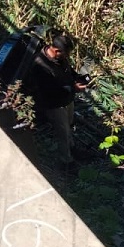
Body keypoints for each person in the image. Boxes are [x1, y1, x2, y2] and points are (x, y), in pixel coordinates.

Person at [25, 32, 88, 167]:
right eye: (66, 54)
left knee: (69, 125)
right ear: (56, 50)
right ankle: (66, 161)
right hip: (54, 104)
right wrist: (73, 88)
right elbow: (48, 89)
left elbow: (69, 71)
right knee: (63, 132)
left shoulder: (60, 58)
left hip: (67, 99)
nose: (67, 57)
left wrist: (78, 78)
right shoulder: (40, 66)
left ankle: (72, 148)